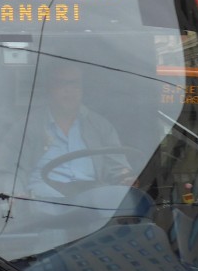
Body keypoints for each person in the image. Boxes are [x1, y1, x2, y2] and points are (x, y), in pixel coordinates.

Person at [21, 60, 132, 199]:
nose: (69, 90)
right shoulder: (28, 126)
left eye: (75, 84)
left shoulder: (100, 126)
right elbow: (11, 171)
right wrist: (16, 196)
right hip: (44, 201)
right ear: (49, 88)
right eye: (62, 84)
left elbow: (117, 166)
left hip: (91, 198)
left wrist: (125, 177)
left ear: (83, 88)